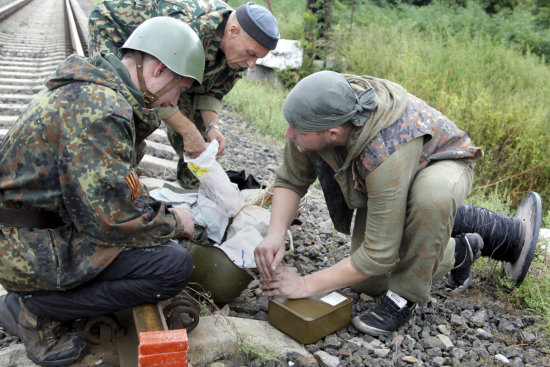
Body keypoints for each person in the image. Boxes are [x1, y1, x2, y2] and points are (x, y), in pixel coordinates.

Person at [0, 17, 204, 366]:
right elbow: (110, 220)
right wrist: (173, 223)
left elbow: (109, 192)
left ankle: (38, 300)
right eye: (181, 89)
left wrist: (157, 216)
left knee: (159, 244)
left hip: (33, 232)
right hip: (25, 246)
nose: (175, 100)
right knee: (172, 266)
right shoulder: (103, 111)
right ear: (159, 70)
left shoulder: (97, 92)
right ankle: (33, 308)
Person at [254, 70, 490, 337]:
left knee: (430, 200)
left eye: (296, 129)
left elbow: (378, 254)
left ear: (332, 134)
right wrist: (275, 235)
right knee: (369, 282)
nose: (288, 132)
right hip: (383, 176)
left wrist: (306, 285)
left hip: (438, 160)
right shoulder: (319, 111)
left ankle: (404, 297)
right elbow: (291, 179)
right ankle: (460, 250)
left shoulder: (383, 149)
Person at [88, 0, 280, 188]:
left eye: (257, 58)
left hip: (173, 69)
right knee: (126, 101)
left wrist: (212, 127)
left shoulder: (239, 56)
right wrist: (188, 131)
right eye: (251, 54)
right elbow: (156, 87)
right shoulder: (192, 29)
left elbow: (213, 92)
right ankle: (112, 175)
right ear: (232, 31)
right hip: (117, 28)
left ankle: (193, 186)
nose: (252, 64)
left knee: (199, 130)